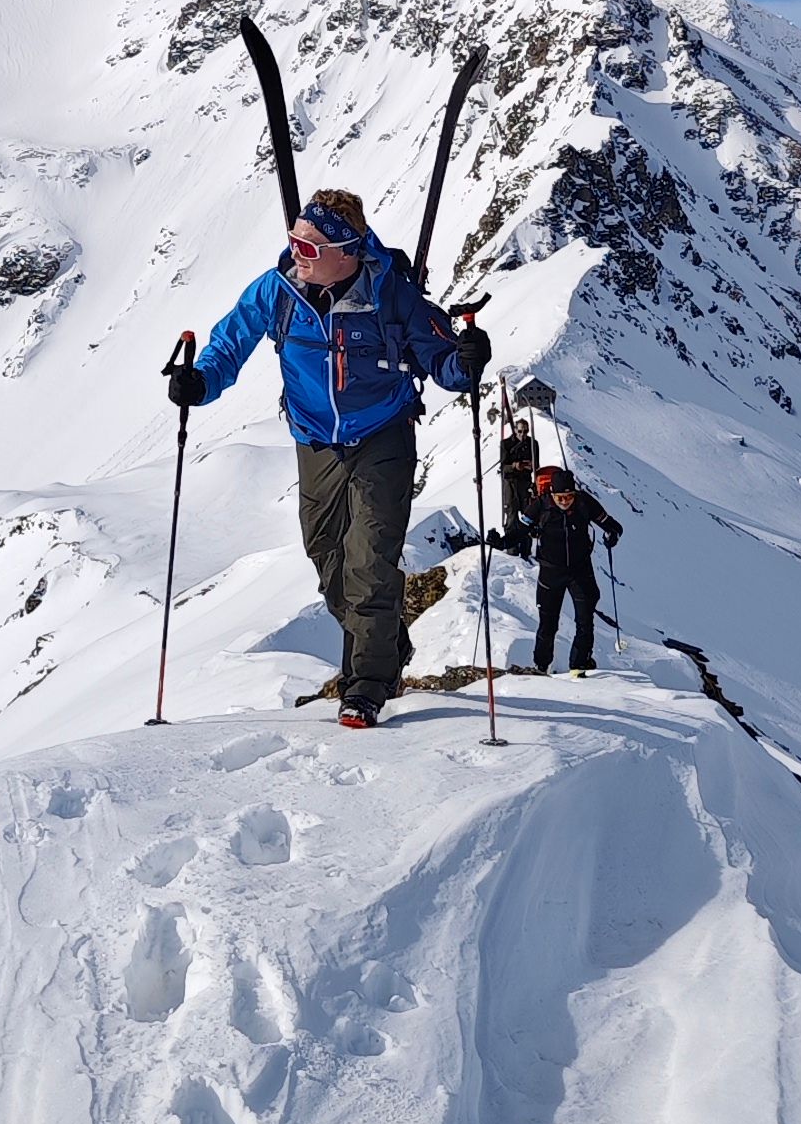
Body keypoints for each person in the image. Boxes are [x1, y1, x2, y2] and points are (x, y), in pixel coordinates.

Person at [168, 189, 489, 727]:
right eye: (294, 241)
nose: (297, 253)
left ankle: (365, 686)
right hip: (315, 438)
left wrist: (468, 360)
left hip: (382, 435)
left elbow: (444, 366)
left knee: (369, 559)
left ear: (349, 251)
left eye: (310, 248)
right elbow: (231, 342)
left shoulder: (392, 294)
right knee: (326, 556)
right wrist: (198, 383)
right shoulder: (278, 290)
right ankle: (385, 644)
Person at [524, 466, 623, 674]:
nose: (564, 501)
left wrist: (612, 534)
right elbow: (519, 529)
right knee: (548, 623)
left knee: (585, 619)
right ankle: (541, 666)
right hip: (551, 572)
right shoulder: (540, 506)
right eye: (560, 497)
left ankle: (579, 665)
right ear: (552, 493)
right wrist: (501, 540)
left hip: (580, 571)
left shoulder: (585, 503)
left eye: (569, 496)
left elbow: (613, 525)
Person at [495, 414, 540, 555]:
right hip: (510, 485)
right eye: (520, 431)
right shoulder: (506, 444)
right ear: (515, 430)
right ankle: (512, 551)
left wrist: (531, 466)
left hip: (525, 484)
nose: (523, 434)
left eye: (525, 431)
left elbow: (537, 465)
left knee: (528, 518)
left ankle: (526, 552)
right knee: (511, 517)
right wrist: (515, 466)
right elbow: (503, 467)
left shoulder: (533, 444)